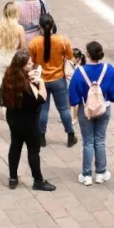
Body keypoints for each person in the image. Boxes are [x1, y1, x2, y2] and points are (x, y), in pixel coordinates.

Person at [0, 50, 55, 192]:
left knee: (15, 146)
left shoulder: (9, 76)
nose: (32, 65)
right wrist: (41, 82)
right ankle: (38, 180)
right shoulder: (26, 86)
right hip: (29, 122)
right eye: (29, 63)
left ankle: (13, 178)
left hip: (13, 118)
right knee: (33, 150)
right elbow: (41, 99)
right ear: (23, 66)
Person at [69, 41, 114, 186]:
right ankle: (101, 172)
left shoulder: (79, 72)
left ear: (88, 54)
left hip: (85, 109)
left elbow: (73, 98)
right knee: (100, 140)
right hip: (104, 108)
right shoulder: (109, 70)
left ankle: (86, 175)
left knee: (88, 142)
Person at [27, 14, 78, 149]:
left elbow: (31, 61)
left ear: (40, 27)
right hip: (59, 79)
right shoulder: (62, 40)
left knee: (43, 109)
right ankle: (70, 135)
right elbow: (70, 56)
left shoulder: (34, 42)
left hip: (42, 80)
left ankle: (41, 137)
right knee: (64, 109)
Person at [0, 1, 26, 84]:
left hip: (2, 56)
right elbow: (23, 47)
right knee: (15, 79)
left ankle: (3, 94)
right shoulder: (19, 28)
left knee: (1, 77)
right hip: (14, 57)